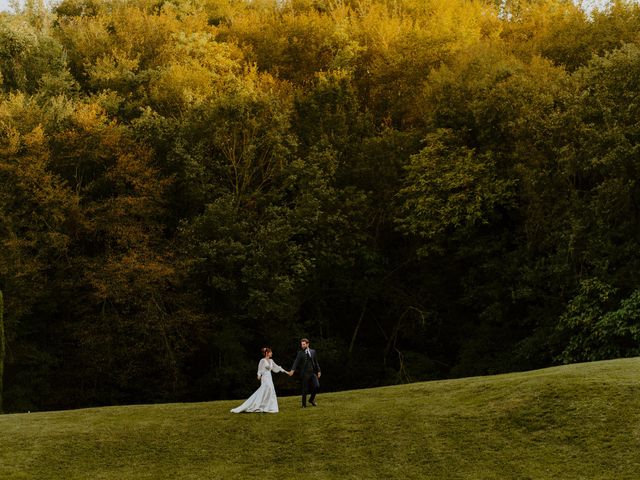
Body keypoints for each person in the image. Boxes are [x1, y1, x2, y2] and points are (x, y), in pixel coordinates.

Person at [230, 347, 291, 413]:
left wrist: (287, 372)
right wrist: (259, 376)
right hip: (264, 377)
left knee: (270, 390)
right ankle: (258, 405)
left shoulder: (271, 361)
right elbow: (259, 370)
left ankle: (268, 406)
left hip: (269, 377)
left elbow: (277, 367)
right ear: (267, 353)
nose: (272, 353)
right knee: (266, 389)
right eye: (270, 352)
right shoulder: (262, 360)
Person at [290, 338, 321, 407]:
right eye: (302, 344)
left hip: (312, 372)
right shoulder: (300, 353)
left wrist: (319, 371)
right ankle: (304, 405)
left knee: (317, 386)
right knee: (305, 389)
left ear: (307, 344)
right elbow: (296, 362)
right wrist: (292, 370)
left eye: (304, 344)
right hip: (305, 373)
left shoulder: (313, 351)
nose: (302, 346)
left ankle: (311, 400)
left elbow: (316, 362)